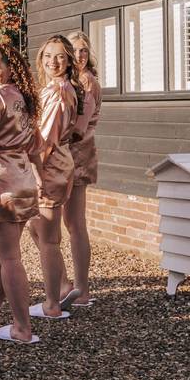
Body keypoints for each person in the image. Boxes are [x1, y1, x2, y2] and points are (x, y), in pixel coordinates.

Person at [0, 45, 41, 344]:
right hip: (23, 177)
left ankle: (22, 327)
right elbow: (35, 142)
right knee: (0, 257)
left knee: (9, 257)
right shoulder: (21, 97)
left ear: (9, 69)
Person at [27, 34, 83, 319]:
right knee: (36, 228)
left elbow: (45, 141)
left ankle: (51, 305)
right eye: (48, 55)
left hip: (50, 166)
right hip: (59, 164)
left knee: (48, 237)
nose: (53, 61)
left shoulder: (59, 91)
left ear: (69, 60)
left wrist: (35, 171)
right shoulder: (59, 88)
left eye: (60, 55)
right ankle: (62, 285)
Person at [62, 31, 101, 308]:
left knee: (75, 224)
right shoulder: (70, 82)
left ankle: (81, 290)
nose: (81, 55)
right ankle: (69, 286)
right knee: (55, 223)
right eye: (75, 51)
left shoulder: (86, 81)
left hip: (76, 156)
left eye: (84, 50)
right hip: (66, 156)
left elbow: (79, 127)